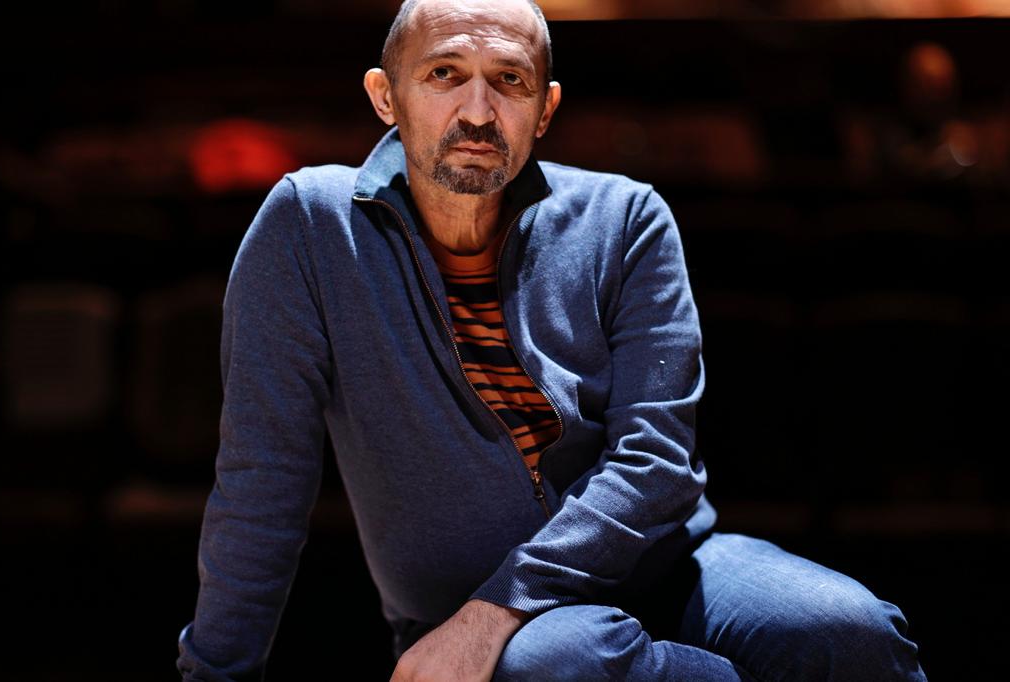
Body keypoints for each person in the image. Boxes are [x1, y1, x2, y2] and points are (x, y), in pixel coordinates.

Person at [176, 0, 928, 679]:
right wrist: (214, 674)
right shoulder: (309, 227)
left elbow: (657, 462)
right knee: (561, 662)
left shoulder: (625, 217)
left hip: (664, 566)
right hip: (466, 616)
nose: (478, 110)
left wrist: (502, 603)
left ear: (545, 109)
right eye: (444, 74)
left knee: (847, 630)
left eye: (509, 80)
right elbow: (262, 480)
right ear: (385, 97)